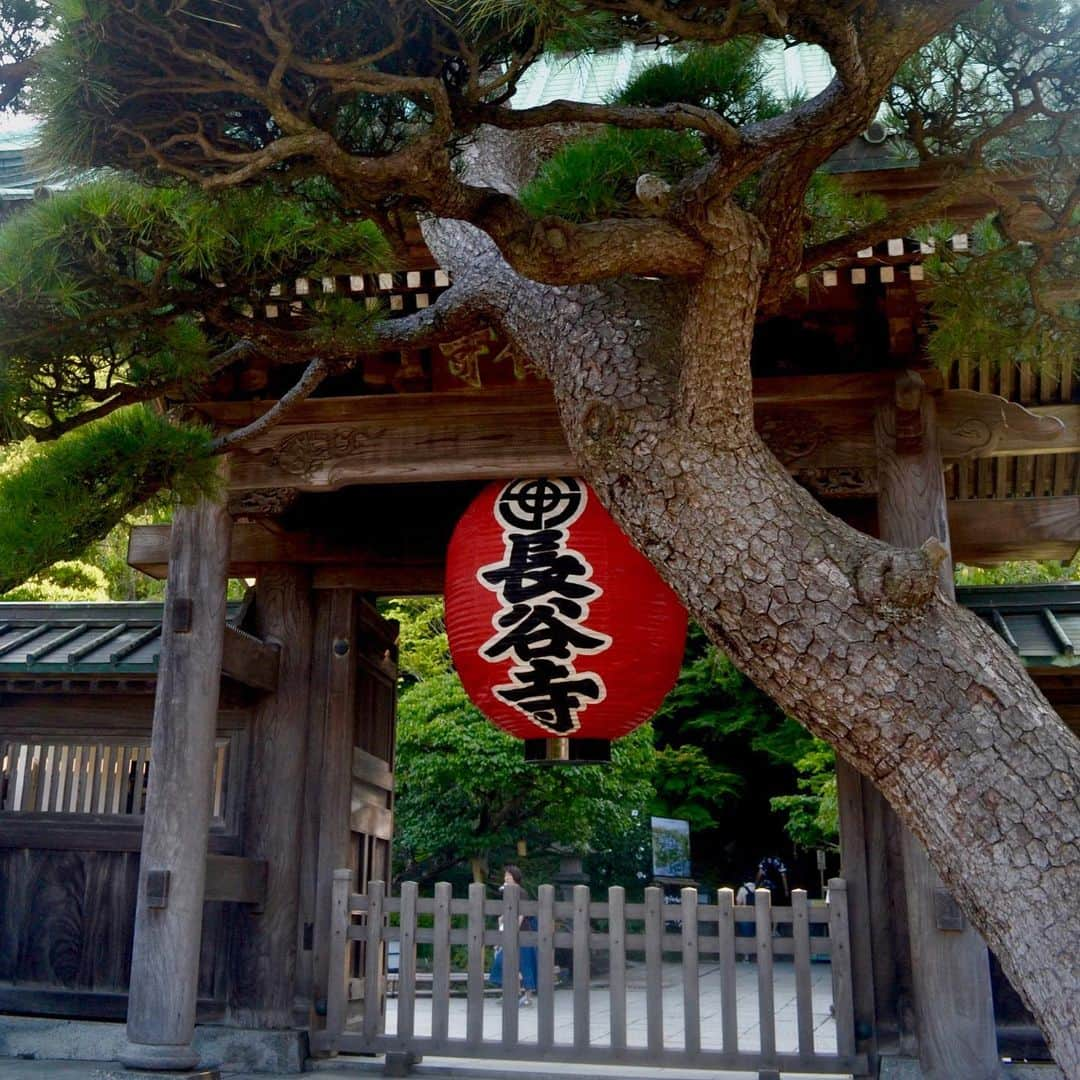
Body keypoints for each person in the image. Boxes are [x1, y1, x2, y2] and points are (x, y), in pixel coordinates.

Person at [488, 864, 538, 1006]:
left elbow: (521, 914)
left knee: (525, 964)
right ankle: (512, 993)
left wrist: (514, 930)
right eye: (505, 876)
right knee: (503, 961)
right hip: (508, 931)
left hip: (522, 932)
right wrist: (502, 921)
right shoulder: (506, 892)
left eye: (508, 876)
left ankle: (528, 996)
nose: (506, 878)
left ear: (515, 877)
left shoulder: (521, 892)